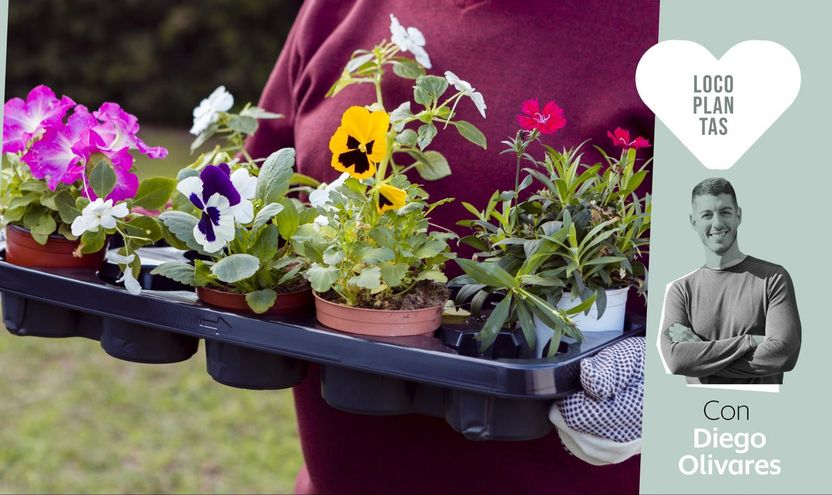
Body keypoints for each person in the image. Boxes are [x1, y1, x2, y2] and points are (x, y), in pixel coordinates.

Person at [247, 1, 659, 492]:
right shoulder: (337, 10)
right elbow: (255, 192)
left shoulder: (682, 23)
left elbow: (757, 296)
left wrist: (675, 381)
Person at [658, 178, 801, 385]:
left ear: (738, 215)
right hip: (697, 409)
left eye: (724, 212)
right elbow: (676, 361)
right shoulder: (681, 290)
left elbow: (785, 355)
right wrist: (750, 341)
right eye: (707, 214)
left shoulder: (773, 278)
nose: (717, 223)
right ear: (693, 221)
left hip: (761, 411)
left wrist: (700, 355)